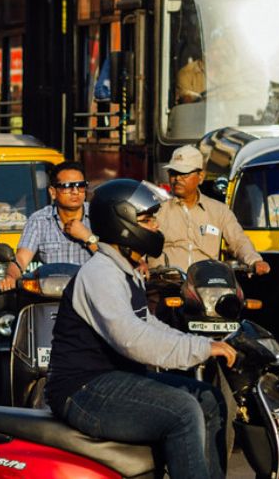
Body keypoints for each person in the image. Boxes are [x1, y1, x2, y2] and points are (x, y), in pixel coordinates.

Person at [46, 179, 236, 479]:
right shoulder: (101, 273)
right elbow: (133, 340)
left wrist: (203, 343)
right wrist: (199, 349)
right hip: (83, 389)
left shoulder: (125, 270)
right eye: (147, 220)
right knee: (184, 411)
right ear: (121, 223)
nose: (155, 226)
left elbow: (148, 324)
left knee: (209, 399)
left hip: (113, 379)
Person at [152, 145, 271, 275]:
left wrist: (255, 261)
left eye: (184, 174)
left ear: (201, 176)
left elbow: (238, 241)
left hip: (206, 286)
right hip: (167, 284)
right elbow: (140, 242)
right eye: (173, 173)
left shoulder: (219, 211)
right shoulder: (156, 211)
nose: (177, 179)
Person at [0, 161, 97, 292]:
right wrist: (11, 277)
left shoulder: (99, 215)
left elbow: (113, 259)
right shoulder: (39, 220)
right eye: (67, 186)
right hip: (51, 296)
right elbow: (21, 259)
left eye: (80, 186)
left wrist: (87, 237)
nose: (75, 192)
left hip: (91, 294)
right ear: (53, 192)